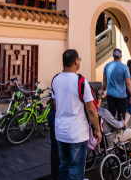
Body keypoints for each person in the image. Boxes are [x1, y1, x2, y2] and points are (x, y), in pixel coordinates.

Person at [52, 49, 102, 180]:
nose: (79, 62)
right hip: (77, 133)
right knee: (75, 169)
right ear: (75, 61)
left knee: (63, 166)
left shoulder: (55, 80)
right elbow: (91, 109)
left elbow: (55, 104)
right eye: (79, 59)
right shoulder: (81, 81)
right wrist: (97, 130)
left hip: (60, 131)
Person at [97, 95, 131, 162]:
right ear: (98, 100)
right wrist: (122, 122)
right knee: (130, 132)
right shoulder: (103, 112)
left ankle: (123, 153)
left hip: (95, 140)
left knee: (118, 132)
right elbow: (117, 125)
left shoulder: (86, 111)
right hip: (108, 139)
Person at [102, 49, 131, 120]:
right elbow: (128, 83)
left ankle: (111, 130)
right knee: (121, 116)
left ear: (113, 56)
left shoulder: (107, 66)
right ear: (121, 56)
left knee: (111, 116)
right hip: (121, 96)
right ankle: (120, 130)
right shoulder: (124, 67)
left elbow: (104, 81)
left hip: (110, 95)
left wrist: (104, 90)